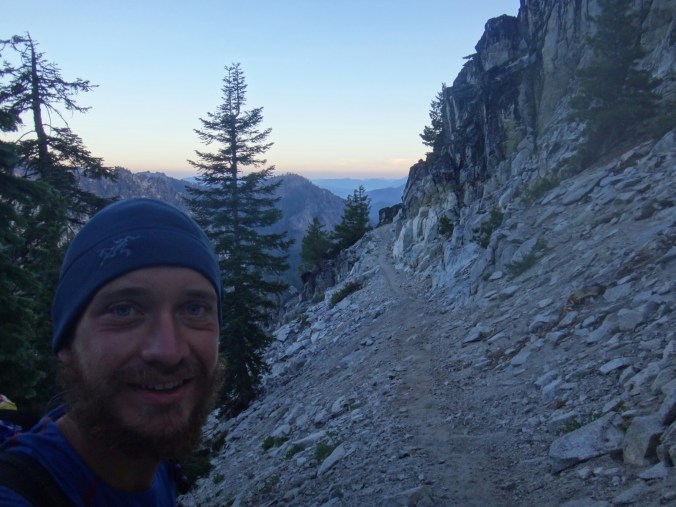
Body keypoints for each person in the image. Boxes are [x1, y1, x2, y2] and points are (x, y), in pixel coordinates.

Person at [0, 198, 223, 506]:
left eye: (194, 309)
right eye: (123, 310)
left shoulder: (150, 455)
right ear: (66, 341)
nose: (168, 351)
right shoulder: (19, 492)